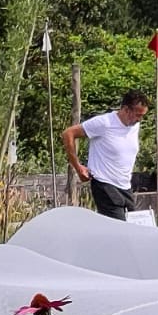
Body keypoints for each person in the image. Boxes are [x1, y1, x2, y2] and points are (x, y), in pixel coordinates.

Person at [63, 89, 150, 221]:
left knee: (134, 226)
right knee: (120, 230)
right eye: (137, 115)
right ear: (126, 109)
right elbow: (68, 133)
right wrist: (78, 167)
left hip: (125, 186)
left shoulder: (134, 126)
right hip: (105, 184)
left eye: (142, 116)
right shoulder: (104, 123)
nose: (139, 119)